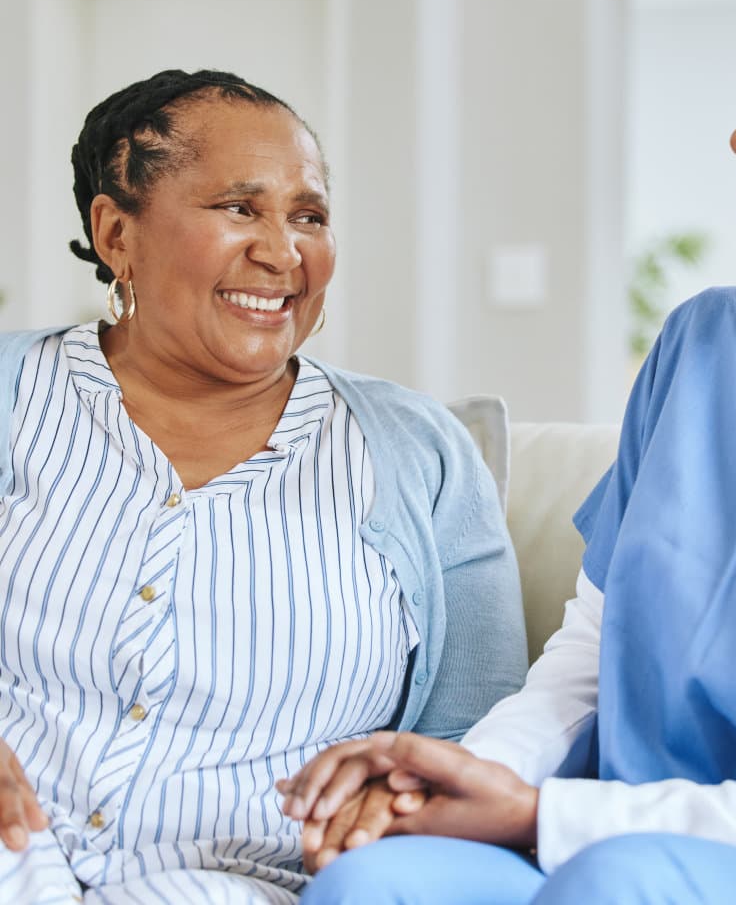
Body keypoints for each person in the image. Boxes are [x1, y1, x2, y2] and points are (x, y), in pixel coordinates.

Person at [280, 0, 736, 904]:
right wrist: (460, 779)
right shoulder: (708, 348)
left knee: (621, 885)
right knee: (376, 885)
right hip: (613, 834)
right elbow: (590, 648)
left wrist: (548, 820)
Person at [0, 69, 527, 903]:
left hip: (243, 883)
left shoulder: (418, 453)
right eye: (239, 208)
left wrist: (393, 799)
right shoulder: (13, 393)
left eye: (308, 217)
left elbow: (482, 728)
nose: (283, 252)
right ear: (116, 234)